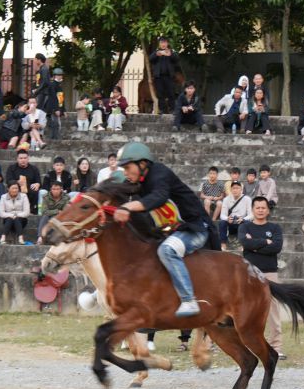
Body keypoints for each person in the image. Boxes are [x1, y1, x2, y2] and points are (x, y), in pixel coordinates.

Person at [112, 141, 214, 317]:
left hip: (195, 230)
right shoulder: (140, 181)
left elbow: (158, 197)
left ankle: (189, 300)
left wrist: (128, 208)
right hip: (175, 231)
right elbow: (120, 190)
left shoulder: (160, 174)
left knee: (167, 251)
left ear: (142, 164)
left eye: (128, 167)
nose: (126, 172)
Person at [238, 195, 284, 358]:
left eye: (263, 207)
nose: (260, 210)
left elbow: (276, 247)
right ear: (252, 209)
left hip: (269, 272)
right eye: (257, 207)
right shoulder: (245, 227)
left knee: (273, 310)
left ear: (268, 210)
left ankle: (276, 346)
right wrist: (266, 242)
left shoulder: (275, 228)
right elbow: (245, 243)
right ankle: (251, 345)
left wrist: (255, 245)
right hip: (249, 273)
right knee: (247, 309)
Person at [149, 37, 181, 114]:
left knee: (171, 93)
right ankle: (162, 109)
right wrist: (157, 54)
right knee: (160, 94)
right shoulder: (156, 52)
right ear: (159, 44)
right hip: (158, 77)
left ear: (167, 43)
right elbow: (150, 59)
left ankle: (172, 109)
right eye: (161, 42)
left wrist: (170, 54)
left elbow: (177, 59)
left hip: (169, 76)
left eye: (165, 42)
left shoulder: (171, 51)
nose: (163, 44)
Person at [5, 148, 41, 213]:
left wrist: (37, 184)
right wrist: (17, 182)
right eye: (21, 158)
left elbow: (39, 181)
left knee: (36, 190)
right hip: (17, 188)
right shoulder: (12, 168)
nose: (23, 160)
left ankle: (33, 210)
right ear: (17, 159)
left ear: (28, 159)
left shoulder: (34, 169)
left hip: (30, 189)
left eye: (25, 158)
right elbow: (8, 181)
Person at [218, 181, 252, 247]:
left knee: (248, 222)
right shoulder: (226, 199)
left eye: (237, 188)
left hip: (242, 222)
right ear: (231, 190)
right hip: (231, 222)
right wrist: (227, 219)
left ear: (241, 189)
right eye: (233, 188)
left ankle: (244, 244)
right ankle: (223, 244)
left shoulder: (247, 199)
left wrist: (243, 219)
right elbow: (222, 215)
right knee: (222, 222)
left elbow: (251, 215)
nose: (235, 190)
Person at [47, 68, 66, 139]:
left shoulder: (59, 85)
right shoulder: (52, 85)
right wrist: (56, 109)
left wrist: (63, 110)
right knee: (55, 124)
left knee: (57, 124)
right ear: (54, 76)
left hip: (58, 107)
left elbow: (61, 98)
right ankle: (54, 138)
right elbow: (53, 98)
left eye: (61, 75)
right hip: (53, 108)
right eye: (58, 75)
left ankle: (56, 137)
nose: (60, 76)